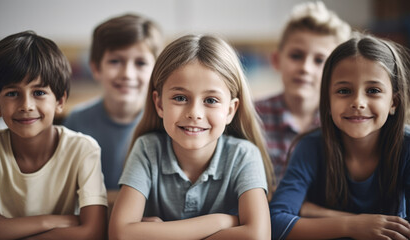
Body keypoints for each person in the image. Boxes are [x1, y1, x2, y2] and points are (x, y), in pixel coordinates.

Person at [108, 34, 274, 240]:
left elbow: (257, 236)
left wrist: (158, 234)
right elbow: (120, 234)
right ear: (160, 104)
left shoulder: (244, 155)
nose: (194, 113)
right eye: (180, 98)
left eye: (211, 100)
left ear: (230, 110)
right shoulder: (147, 149)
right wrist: (221, 222)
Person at [270, 33, 410, 240]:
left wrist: (315, 211)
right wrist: (352, 225)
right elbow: (274, 223)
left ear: (393, 103)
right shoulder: (310, 147)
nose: (358, 102)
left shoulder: (406, 148)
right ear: (327, 102)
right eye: (344, 91)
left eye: (373, 90)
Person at [0, 31, 108, 240]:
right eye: (12, 93)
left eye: (39, 92)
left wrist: (6, 231)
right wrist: (51, 220)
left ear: (60, 101)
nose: (26, 106)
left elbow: (93, 231)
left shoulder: (83, 149)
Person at [63, 14, 163, 193]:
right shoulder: (76, 123)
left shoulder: (165, 124)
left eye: (140, 63)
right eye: (115, 61)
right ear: (95, 68)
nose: (127, 74)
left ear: (155, 71)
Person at [255, 1, 351, 186]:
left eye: (319, 60)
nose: (305, 68)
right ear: (276, 60)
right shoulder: (252, 115)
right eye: (296, 56)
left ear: (337, 70)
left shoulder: (344, 120)